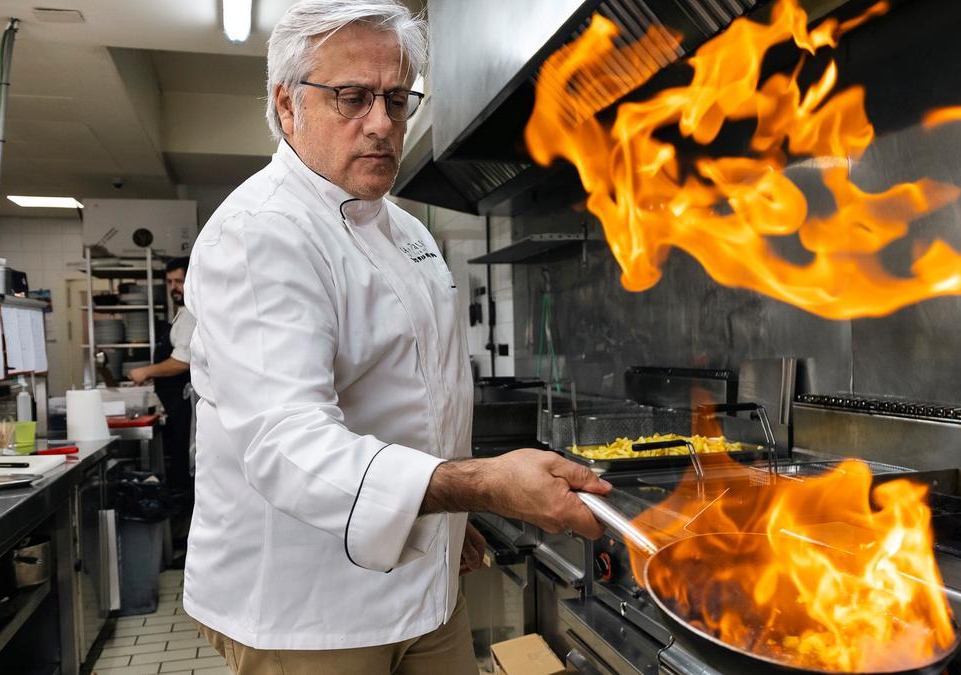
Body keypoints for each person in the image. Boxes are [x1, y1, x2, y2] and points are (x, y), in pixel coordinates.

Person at [182, 2, 610, 673]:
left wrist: (449, 523)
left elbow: (425, 393)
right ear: (287, 106)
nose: (382, 124)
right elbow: (289, 445)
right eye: (351, 98)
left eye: (397, 99)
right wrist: (481, 487)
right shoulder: (259, 233)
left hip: (425, 581)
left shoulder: (405, 232)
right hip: (309, 608)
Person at [129, 256, 196, 501]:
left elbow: (181, 362)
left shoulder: (191, 314)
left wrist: (147, 371)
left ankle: (182, 533)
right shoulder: (182, 314)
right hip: (177, 408)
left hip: (186, 409)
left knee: (185, 468)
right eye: (170, 282)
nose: (174, 287)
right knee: (180, 463)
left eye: (179, 281)